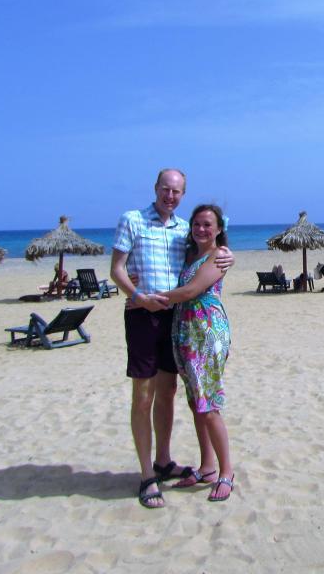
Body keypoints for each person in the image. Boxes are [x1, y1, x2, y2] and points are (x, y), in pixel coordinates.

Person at [109, 169, 234, 510]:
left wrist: (227, 254)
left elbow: (209, 257)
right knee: (144, 394)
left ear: (183, 194)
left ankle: (165, 461)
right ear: (156, 188)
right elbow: (117, 269)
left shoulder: (185, 230)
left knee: (170, 391)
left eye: (177, 191)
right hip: (143, 315)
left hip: (179, 321)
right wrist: (138, 294)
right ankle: (148, 474)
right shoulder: (132, 220)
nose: (170, 195)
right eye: (166, 188)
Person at [159, 203, 235, 503]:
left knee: (209, 403)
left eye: (208, 224)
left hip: (207, 332)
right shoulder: (191, 253)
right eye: (197, 224)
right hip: (186, 331)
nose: (201, 229)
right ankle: (207, 467)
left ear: (218, 229)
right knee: (196, 402)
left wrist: (148, 299)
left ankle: (226, 471)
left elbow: (191, 291)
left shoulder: (218, 255)